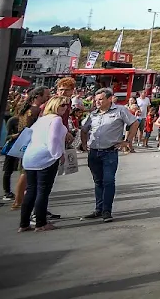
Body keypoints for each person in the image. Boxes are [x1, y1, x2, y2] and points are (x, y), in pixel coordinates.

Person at [79, 88, 138, 222]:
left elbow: (134, 123)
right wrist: (83, 144)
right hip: (94, 152)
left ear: (109, 99)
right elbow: (84, 129)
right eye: (96, 100)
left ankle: (107, 211)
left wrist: (127, 141)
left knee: (109, 181)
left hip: (109, 152)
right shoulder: (93, 114)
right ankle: (98, 209)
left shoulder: (120, 110)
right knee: (98, 181)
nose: (98, 102)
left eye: (101, 99)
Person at [18, 97, 70, 232]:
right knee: (42, 191)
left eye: (66, 105)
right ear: (54, 105)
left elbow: (29, 136)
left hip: (30, 156)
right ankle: (41, 223)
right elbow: (52, 138)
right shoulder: (56, 119)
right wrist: (58, 155)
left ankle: (24, 224)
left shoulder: (41, 120)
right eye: (62, 105)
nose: (65, 107)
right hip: (45, 157)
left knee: (31, 190)